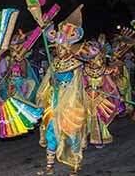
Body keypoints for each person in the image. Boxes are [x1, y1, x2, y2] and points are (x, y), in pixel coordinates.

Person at [36, 22, 85, 176]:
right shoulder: (55, 63)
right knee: (51, 131)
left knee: (71, 132)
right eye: (57, 47)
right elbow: (49, 81)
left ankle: (76, 163)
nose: (58, 50)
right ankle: (49, 166)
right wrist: (52, 82)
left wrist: (65, 88)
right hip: (55, 101)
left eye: (61, 47)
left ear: (68, 47)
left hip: (70, 102)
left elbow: (78, 84)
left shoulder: (76, 63)